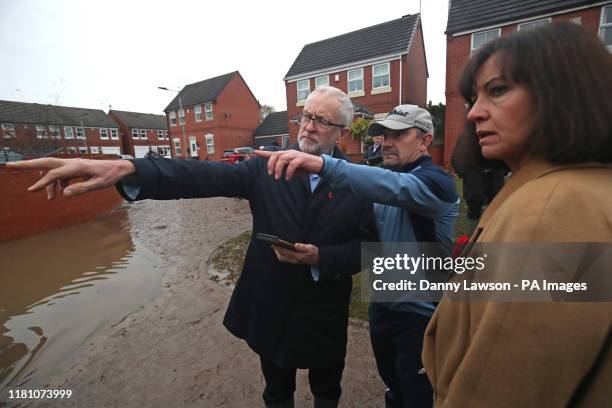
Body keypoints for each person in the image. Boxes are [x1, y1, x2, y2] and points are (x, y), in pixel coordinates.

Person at [7, 86, 378, 408]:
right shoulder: (266, 167)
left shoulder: (360, 182)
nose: (309, 127)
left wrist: (321, 258)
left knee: (327, 390)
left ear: (341, 134)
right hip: (273, 309)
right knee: (276, 392)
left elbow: (370, 247)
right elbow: (200, 175)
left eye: (322, 121)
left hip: (324, 312)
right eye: (305, 117)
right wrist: (131, 169)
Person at [422, 22, 612, 407]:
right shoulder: (582, 189)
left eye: (498, 90)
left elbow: (505, 386)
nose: (474, 113)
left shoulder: (552, 210)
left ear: (564, 91)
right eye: (474, 97)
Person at [257, 104, 459, 407]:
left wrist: (323, 165)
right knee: (394, 388)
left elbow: (396, 188)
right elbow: (367, 238)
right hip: (383, 306)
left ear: (425, 140)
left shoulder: (436, 183)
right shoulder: (383, 177)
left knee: (420, 395)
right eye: (383, 134)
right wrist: (321, 255)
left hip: (421, 314)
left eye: (399, 134)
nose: (386, 141)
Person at [451, 132, 505, 234]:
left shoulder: (498, 134)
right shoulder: (466, 137)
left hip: (495, 182)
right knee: (473, 213)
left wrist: (502, 171)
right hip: (474, 183)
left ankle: (490, 239)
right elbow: (456, 158)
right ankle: (471, 243)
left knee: (495, 213)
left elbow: (506, 155)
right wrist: (465, 173)